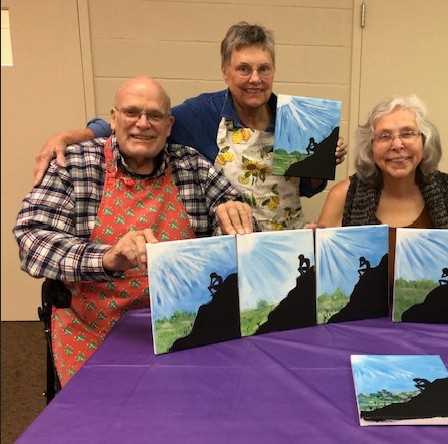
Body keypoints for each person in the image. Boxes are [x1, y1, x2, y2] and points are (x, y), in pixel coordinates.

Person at [14, 76, 252, 387]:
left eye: (154, 115)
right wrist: (107, 258)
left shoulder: (192, 165)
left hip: (182, 325)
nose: (143, 123)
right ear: (113, 119)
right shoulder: (74, 164)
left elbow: (235, 212)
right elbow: (32, 239)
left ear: (169, 125)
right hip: (95, 331)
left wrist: (233, 212)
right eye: (131, 113)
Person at [34, 22, 347, 231]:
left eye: (264, 69)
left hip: (288, 243)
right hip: (228, 249)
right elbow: (147, 123)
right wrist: (80, 134)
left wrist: (323, 160)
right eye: (244, 69)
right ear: (225, 71)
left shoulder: (301, 118)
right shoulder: (202, 113)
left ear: (274, 70)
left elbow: (307, 189)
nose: (255, 79)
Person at [316, 95, 448, 285]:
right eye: (384, 136)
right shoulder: (343, 195)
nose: (397, 145)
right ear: (370, 147)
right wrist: (309, 247)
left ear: (425, 140)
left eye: (407, 133)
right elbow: (323, 277)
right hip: (360, 303)